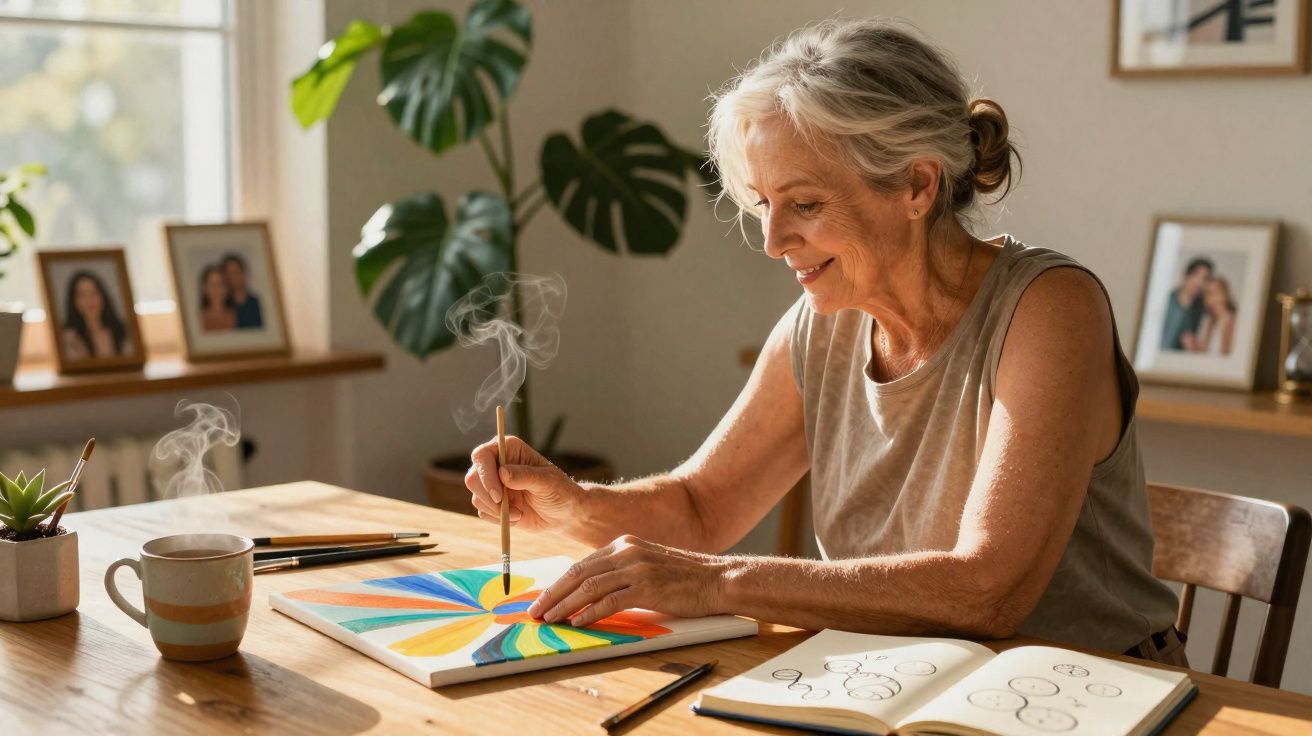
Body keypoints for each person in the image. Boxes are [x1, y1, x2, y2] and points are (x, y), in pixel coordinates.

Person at [465, 19, 1184, 665]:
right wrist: (571, 504)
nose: (775, 242)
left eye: (805, 204)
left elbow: (988, 590)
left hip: (1089, 693)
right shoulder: (824, 323)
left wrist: (718, 582)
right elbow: (702, 509)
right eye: (764, 205)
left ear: (917, 185)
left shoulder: (1050, 307)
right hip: (900, 680)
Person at [61, 270, 130, 360]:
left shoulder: (124, 331)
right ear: (73, 301)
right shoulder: (68, 338)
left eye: (94, 293)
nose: (90, 300)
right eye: (82, 295)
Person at [1160, 257, 1212, 351]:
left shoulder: (1202, 309)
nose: (1199, 282)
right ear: (1186, 275)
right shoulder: (1165, 301)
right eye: (1196, 276)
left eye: (1205, 279)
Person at [1196, 276, 1237, 356]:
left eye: (1215, 291)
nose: (1211, 296)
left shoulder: (1236, 320)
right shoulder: (1207, 322)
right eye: (1207, 293)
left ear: (1225, 294)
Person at [222, 253, 263, 329]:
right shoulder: (222, 307)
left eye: (234, 272)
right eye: (227, 273)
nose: (231, 277)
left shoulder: (259, 304)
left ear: (243, 274)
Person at [199, 264, 237, 332]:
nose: (216, 289)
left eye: (219, 284)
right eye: (212, 284)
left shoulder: (237, 315)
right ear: (204, 288)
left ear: (226, 288)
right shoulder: (198, 319)